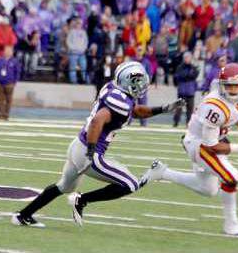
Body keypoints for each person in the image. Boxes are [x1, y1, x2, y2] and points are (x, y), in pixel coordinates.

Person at [11, 61, 185, 228]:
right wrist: (91, 152)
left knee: (64, 186)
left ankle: (23, 215)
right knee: (130, 184)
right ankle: (82, 200)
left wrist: (162, 109)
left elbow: (135, 111)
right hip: (89, 151)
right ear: (128, 82)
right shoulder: (120, 103)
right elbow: (97, 120)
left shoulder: (114, 89)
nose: (142, 85)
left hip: (77, 145)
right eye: (138, 82)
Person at [150, 63, 238, 236]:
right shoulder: (214, 106)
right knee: (231, 176)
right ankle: (231, 225)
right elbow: (210, 146)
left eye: (236, 86)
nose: (233, 90)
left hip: (213, 140)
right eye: (229, 85)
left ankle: (163, 173)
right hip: (200, 144)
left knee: (209, 189)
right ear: (221, 84)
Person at [173, 51, 199, 127]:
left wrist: (188, 75)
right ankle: (175, 122)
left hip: (190, 91)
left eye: (188, 58)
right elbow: (180, 76)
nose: (187, 59)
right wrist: (188, 75)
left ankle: (189, 124)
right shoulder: (180, 67)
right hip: (182, 91)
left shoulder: (193, 67)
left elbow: (195, 75)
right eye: (186, 58)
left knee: (190, 110)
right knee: (178, 109)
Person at [0, 46, 21, 121]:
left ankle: (6, 115)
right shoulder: (0, 60)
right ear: (4, 51)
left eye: (9, 51)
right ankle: (1, 115)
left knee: (8, 100)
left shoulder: (15, 61)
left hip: (9, 83)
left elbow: (17, 72)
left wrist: (14, 82)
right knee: (0, 100)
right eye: (6, 50)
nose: (8, 52)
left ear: (12, 52)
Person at [67, 17, 88, 84]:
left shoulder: (84, 32)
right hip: (73, 53)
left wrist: (83, 49)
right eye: (78, 23)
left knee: (83, 66)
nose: (79, 24)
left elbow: (86, 42)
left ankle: (84, 79)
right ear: (76, 24)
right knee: (72, 67)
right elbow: (68, 42)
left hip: (81, 53)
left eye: (80, 23)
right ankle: (73, 81)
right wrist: (74, 49)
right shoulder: (71, 32)